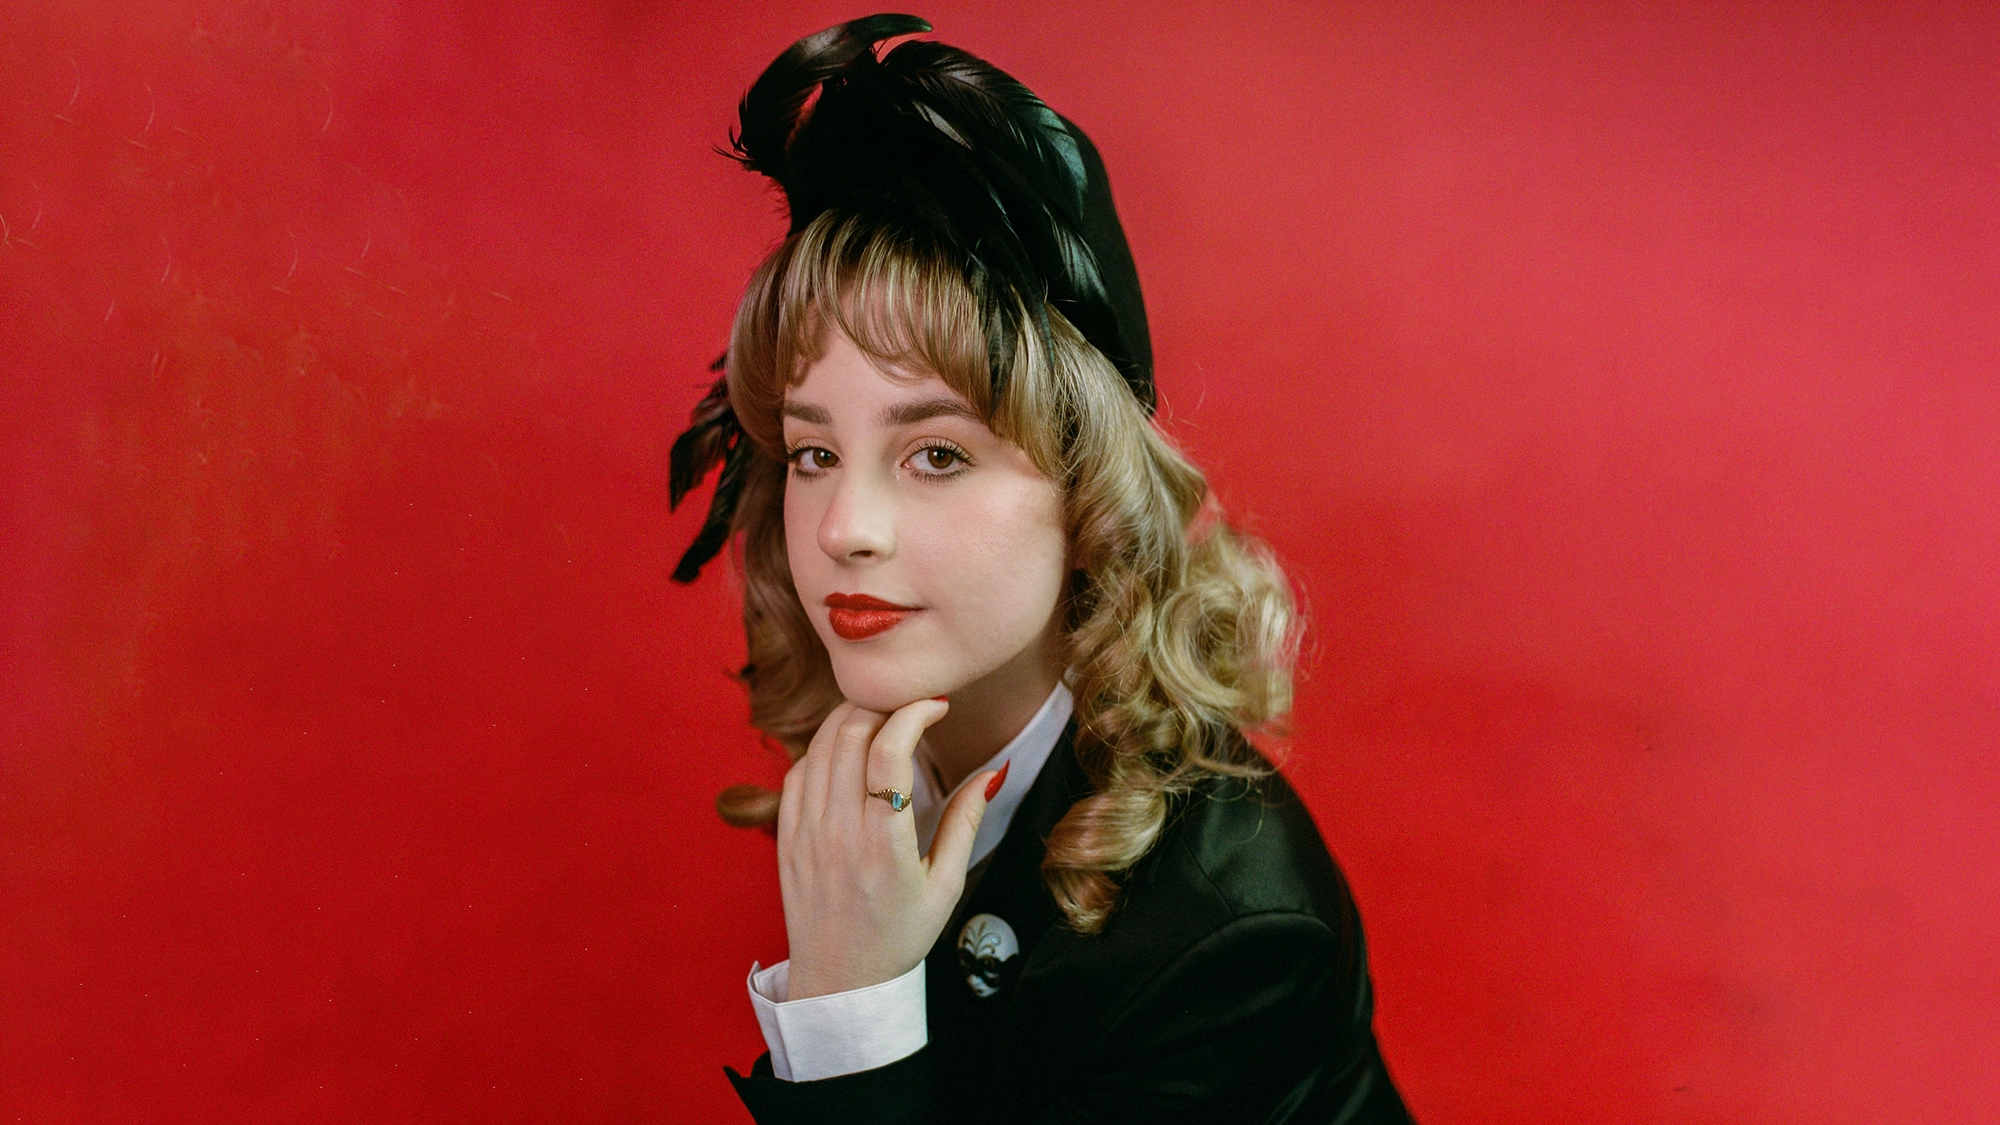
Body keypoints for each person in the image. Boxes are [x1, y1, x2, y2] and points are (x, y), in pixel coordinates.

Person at [668, 15, 1415, 1124]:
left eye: (936, 455)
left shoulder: (1232, 929)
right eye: (816, 452)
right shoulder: (896, 753)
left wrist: (851, 1005)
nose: (841, 529)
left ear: (1088, 500)